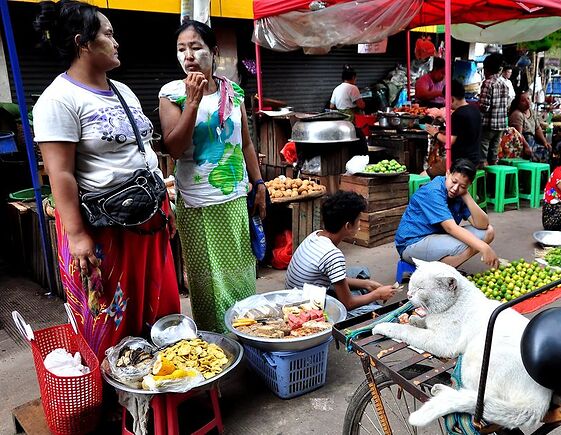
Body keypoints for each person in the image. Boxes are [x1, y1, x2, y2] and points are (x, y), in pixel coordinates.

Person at [32, 0, 180, 358]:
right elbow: (61, 174)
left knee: (156, 306)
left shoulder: (122, 90)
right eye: (109, 34)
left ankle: (162, 389)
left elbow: (142, 151)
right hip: (103, 228)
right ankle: (118, 404)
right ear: (83, 43)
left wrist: (163, 205)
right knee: (111, 317)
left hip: (146, 216)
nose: (117, 42)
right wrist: (78, 236)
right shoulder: (58, 99)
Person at [158, 20, 266, 332]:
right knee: (207, 282)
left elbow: (245, 142)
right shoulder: (172, 93)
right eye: (181, 49)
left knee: (239, 274)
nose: (188, 55)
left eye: (195, 47)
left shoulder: (233, 92)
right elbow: (175, 148)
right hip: (196, 202)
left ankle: (246, 335)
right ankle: (216, 343)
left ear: (213, 52)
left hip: (233, 197)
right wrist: (192, 101)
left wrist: (258, 184)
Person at [285, 191, 398, 318]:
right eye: (358, 220)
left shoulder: (316, 235)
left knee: (360, 273)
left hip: (299, 293)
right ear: (348, 226)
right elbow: (348, 303)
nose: (360, 223)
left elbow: (333, 277)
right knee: (382, 313)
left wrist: (367, 284)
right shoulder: (332, 254)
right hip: (304, 308)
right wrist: (377, 294)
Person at [395, 159, 498, 270]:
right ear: (447, 173)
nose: (455, 189)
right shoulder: (433, 191)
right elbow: (450, 228)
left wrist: (466, 194)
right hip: (412, 243)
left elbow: (482, 225)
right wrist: (484, 247)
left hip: (437, 238)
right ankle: (443, 270)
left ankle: (445, 268)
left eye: (462, 186)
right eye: (454, 182)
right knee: (472, 243)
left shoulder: (459, 193)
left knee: (488, 232)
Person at [424, 80, 482, 167]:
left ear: (451, 98)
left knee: (425, 174)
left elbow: (449, 141)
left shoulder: (458, 114)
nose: (445, 101)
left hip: (460, 162)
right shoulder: (475, 109)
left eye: (445, 98)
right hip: (475, 159)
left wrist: (434, 132)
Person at [479, 53, 510, 165]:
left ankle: (483, 178)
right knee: (493, 154)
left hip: (488, 125)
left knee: (482, 153)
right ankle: (493, 178)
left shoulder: (488, 83)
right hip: (501, 125)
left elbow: (484, 106)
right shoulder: (504, 84)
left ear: (486, 69)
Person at [509, 92, 550, 162]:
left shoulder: (531, 112)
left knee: (547, 149)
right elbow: (518, 135)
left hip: (533, 142)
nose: (527, 102)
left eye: (528, 99)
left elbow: (537, 128)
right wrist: (526, 147)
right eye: (523, 101)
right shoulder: (517, 114)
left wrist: (545, 142)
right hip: (523, 143)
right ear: (518, 104)